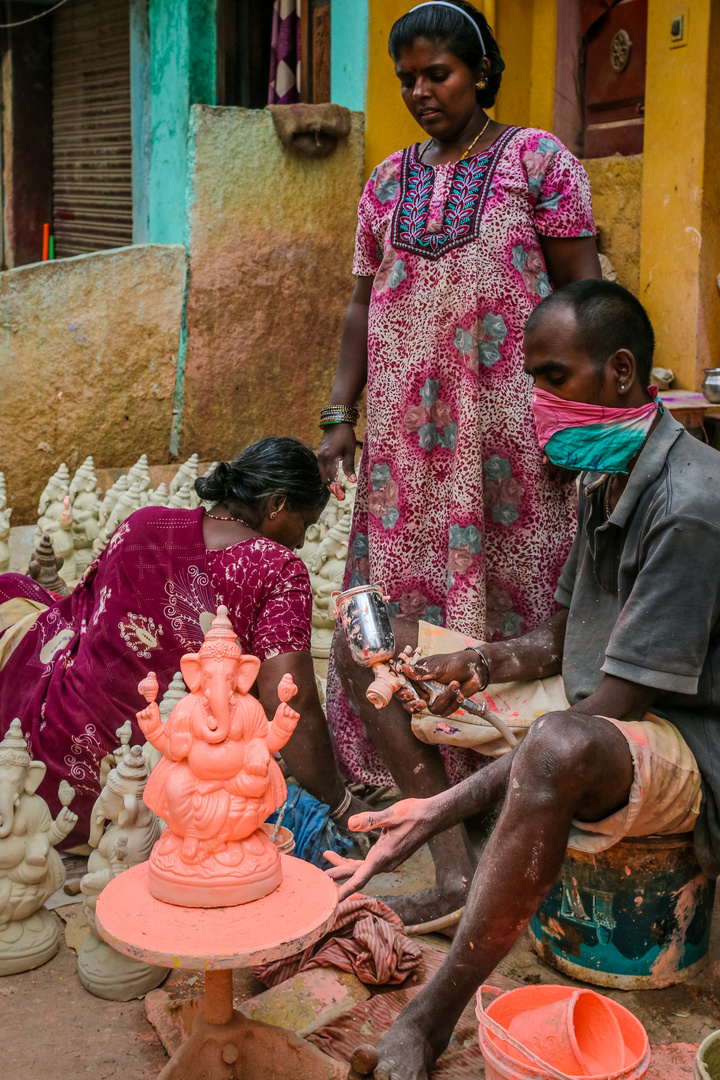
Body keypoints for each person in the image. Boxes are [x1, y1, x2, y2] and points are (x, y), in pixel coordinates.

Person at [326, 280, 720, 1080]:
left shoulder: (691, 503)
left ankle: (429, 1019)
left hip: (691, 734)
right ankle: (455, 876)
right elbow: (558, 635)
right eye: (531, 378)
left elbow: (612, 707)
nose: (537, 400)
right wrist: (476, 664)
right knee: (367, 642)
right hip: (600, 698)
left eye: (553, 377)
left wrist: (438, 806)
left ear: (618, 373)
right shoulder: (602, 474)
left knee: (555, 748)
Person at [318, 0, 601, 911]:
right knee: (386, 638)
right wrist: (338, 414)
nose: (419, 92)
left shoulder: (537, 163)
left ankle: (526, 802)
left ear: (480, 71)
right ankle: (438, 830)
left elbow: (584, 297)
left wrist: (582, 426)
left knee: (514, 623)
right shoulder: (388, 182)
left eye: (436, 73)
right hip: (408, 451)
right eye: (407, 78)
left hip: (513, 450)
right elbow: (364, 308)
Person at [0, 438, 363, 847]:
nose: (300, 540)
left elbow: (85, 614)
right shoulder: (277, 567)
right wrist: (339, 801)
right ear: (277, 504)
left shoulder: (142, 522)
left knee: (16, 592)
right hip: (156, 794)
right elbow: (289, 701)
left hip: (46, 769)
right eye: (306, 524)